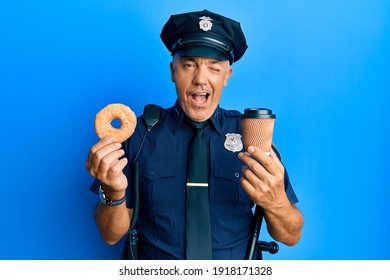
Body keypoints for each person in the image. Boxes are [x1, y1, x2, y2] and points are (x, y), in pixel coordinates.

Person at [86, 9, 303, 260]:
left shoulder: (252, 137)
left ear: (226, 77)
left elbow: (290, 236)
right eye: (189, 65)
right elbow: (110, 235)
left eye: (213, 67)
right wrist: (113, 193)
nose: (200, 79)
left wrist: (275, 201)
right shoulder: (139, 135)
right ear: (173, 71)